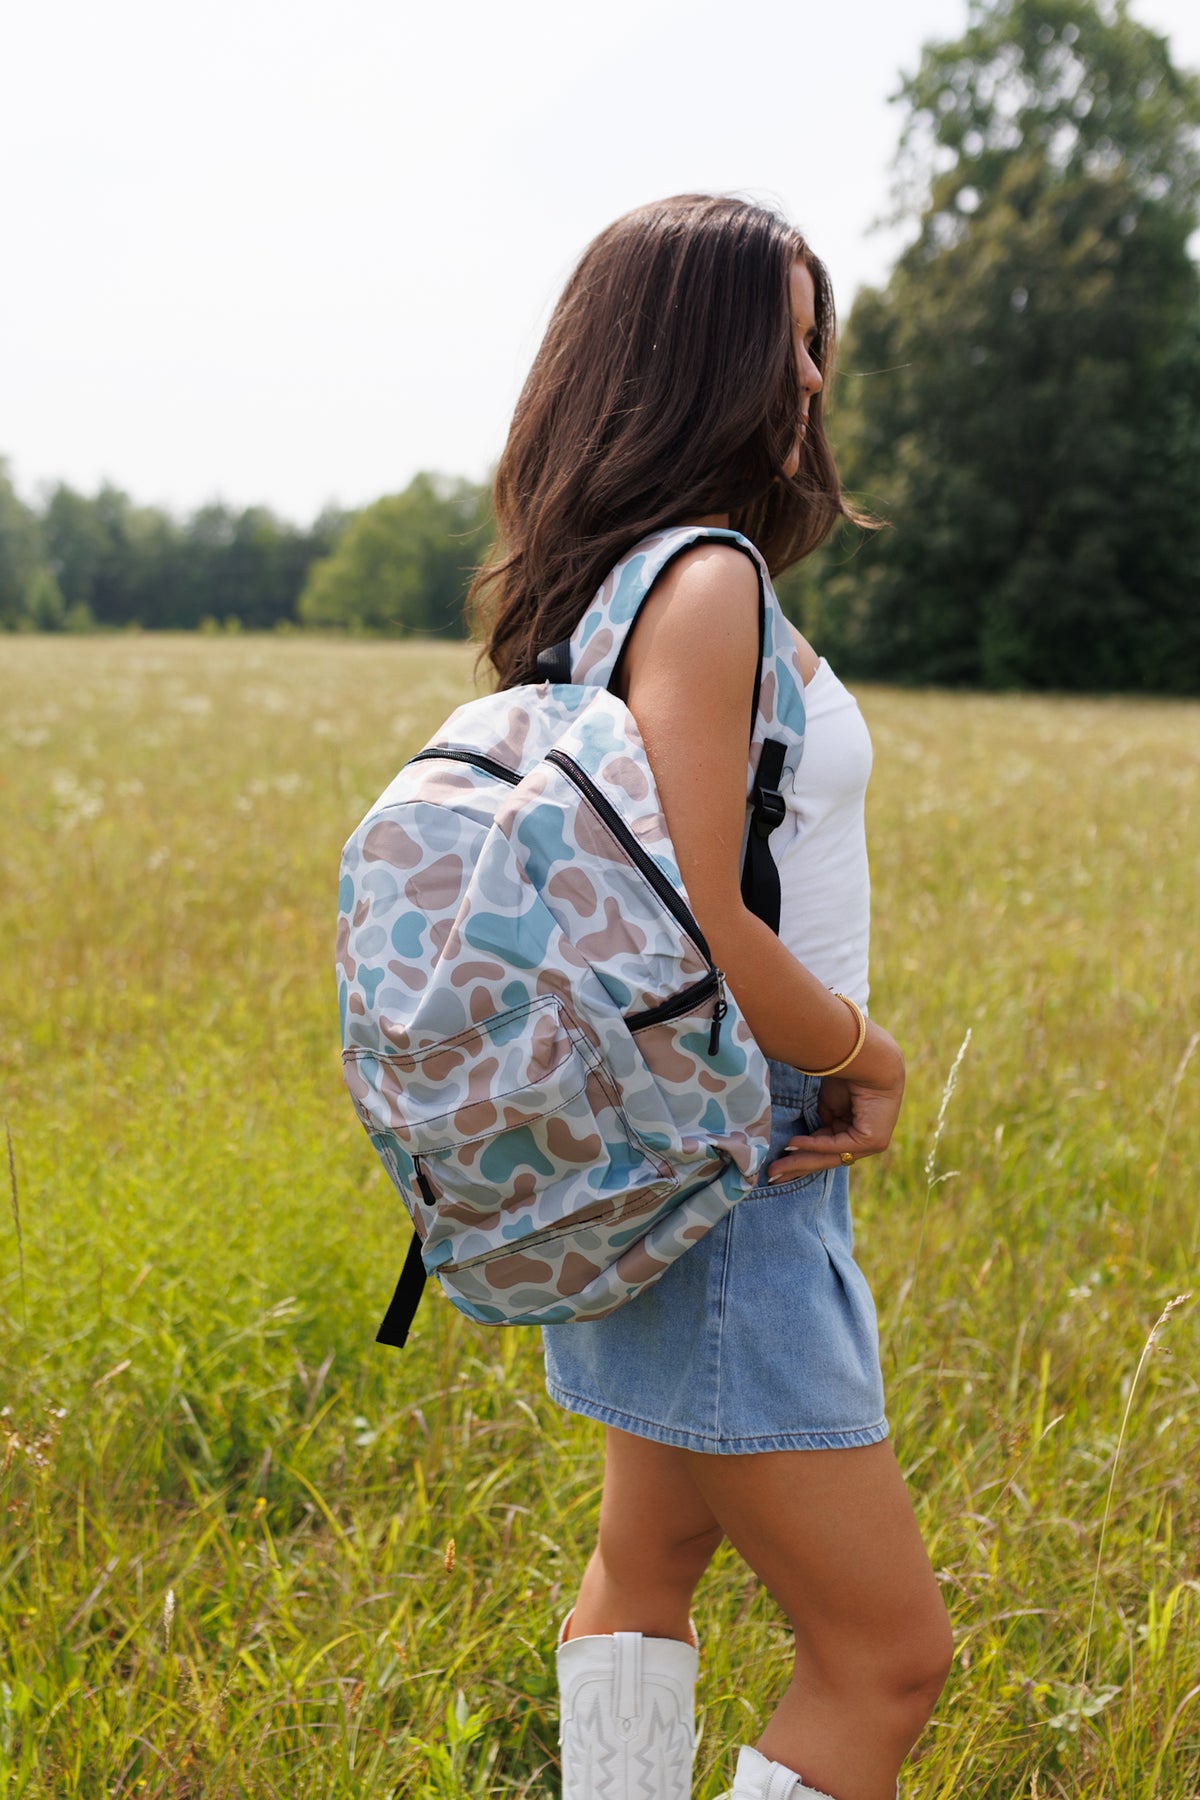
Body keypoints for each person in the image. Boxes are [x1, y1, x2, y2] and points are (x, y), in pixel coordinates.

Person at [468, 194, 953, 1800]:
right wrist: (868, 1054)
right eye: (792, 341)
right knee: (884, 1665)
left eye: (818, 341)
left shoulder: (615, 582)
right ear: (698, 358)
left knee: (645, 1567)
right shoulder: (710, 581)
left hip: (658, 1158)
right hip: (736, 1172)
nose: (813, 379)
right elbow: (698, 914)